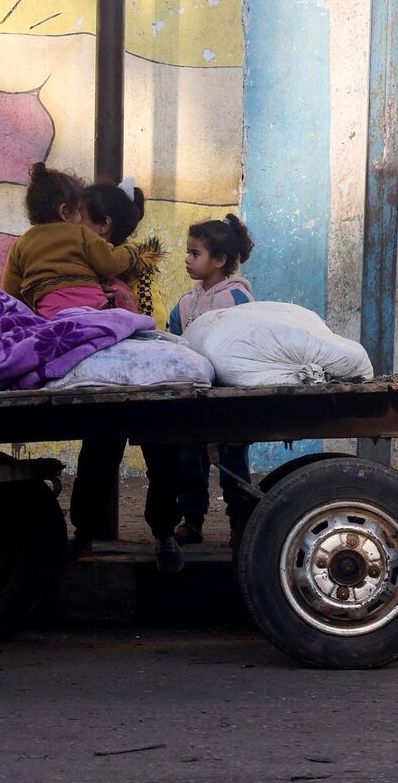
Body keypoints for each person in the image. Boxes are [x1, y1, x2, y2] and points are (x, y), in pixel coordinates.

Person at [60, 181, 186, 571]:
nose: (74, 223)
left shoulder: (133, 267)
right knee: (98, 458)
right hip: (106, 375)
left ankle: (164, 532)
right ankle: (84, 533)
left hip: (144, 374)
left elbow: (153, 320)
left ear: (103, 225)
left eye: (81, 216)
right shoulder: (85, 264)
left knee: (163, 459)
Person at [170, 214, 257, 548]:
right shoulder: (186, 302)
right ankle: (191, 521)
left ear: (219, 260)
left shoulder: (237, 299)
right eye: (188, 252)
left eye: (195, 253)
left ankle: (240, 521)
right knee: (189, 459)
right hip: (194, 397)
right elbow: (176, 339)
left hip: (229, 398)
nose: (188, 259)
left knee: (232, 459)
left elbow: (247, 341)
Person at [0, 162, 148, 317]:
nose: (79, 218)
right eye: (78, 210)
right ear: (64, 212)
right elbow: (110, 263)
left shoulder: (20, 245)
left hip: (49, 315)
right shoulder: (81, 233)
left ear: (105, 224)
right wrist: (129, 253)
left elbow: (10, 296)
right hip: (93, 310)